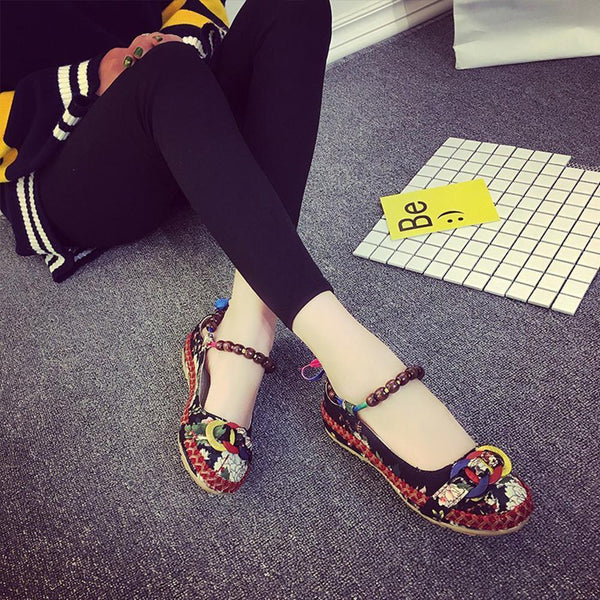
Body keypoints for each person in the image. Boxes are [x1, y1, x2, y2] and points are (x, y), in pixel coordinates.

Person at [0, 0, 533, 535]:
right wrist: (93, 74)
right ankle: (356, 358)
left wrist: (175, 37)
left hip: (183, 114)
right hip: (70, 162)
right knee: (164, 70)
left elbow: (192, 6)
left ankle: (245, 323)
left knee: (293, 7)